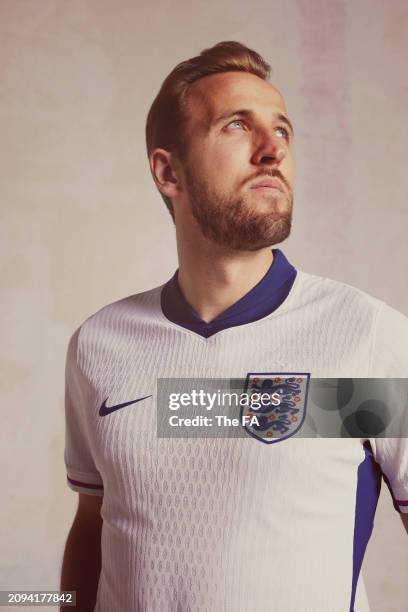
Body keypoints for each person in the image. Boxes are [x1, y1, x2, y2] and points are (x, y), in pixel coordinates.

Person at [60, 41, 408, 612]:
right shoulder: (99, 345)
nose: (272, 150)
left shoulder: (366, 338)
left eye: (283, 131)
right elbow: (93, 525)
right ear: (167, 171)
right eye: (237, 127)